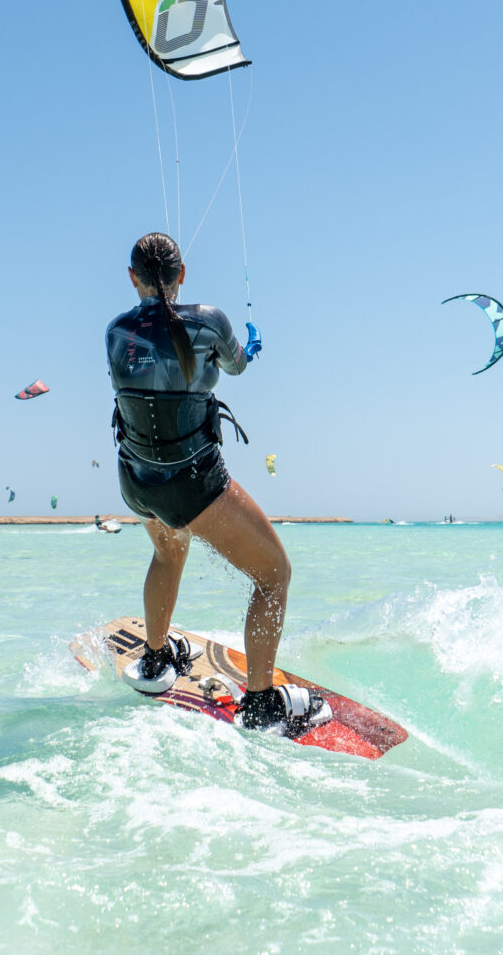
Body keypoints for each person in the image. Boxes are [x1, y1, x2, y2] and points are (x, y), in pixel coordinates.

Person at [105, 232, 327, 735]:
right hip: (191, 482)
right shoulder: (208, 321)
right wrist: (247, 348)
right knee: (274, 576)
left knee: (168, 552)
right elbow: (236, 365)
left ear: (132, 279)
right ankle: (262, 704)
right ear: (181, 274)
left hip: (136, 479)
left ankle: (158, 659)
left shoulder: (115, 332)